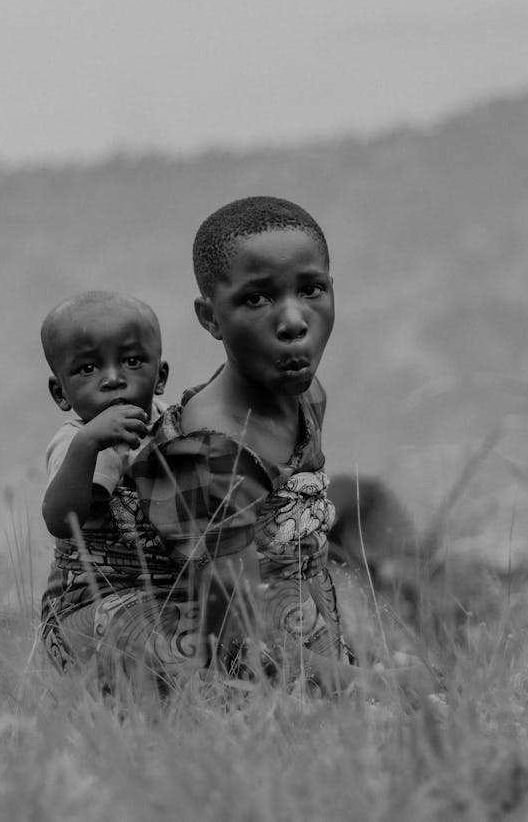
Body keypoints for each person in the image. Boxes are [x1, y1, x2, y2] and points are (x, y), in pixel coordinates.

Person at [131, 196, 359, 693]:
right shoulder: (212, 451)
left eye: (312, 289)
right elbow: (231, 636)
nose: (295, 320)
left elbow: (300, 549)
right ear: (210, 318)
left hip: (290, 625)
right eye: (257, 299)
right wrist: (363, 686)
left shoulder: (305, 397)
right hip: (199, 655)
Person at [39, 290, 203, 693]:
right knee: (146, 644)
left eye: (132, 362)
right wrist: (87, 448)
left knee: (244, 630)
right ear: (61, 393)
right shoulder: (76, 441)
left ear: (160, 375)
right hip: (91, 602)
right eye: (88, 368)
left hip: (172, 594)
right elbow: (61, 521)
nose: (113, 378)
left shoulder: (176, 424)